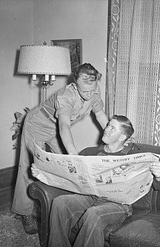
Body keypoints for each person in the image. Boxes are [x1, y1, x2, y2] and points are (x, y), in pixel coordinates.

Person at [31, 115, 160, 247]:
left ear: (122, 136)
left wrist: (159, 175)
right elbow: (67, 177)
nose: (106, 129)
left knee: (93, 214)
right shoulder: (90, 152)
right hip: (89, 197)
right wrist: (42, 174)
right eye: (107, 125)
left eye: (112, 127)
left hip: (117, 205)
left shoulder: (133, 157)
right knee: (60, 202)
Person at [11, 63, 109, 234]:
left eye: (92, 90)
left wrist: (113, 135)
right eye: (84, 91)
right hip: (38, 125)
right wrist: (73, 154)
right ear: (75, 84)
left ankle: (63, 208)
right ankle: (24, 212)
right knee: (29, 168)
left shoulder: (94, 91)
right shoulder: (66, 96)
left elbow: (100, 115)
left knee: (66, 168)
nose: (89, 95)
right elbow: (64, 127)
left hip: (55, 129)